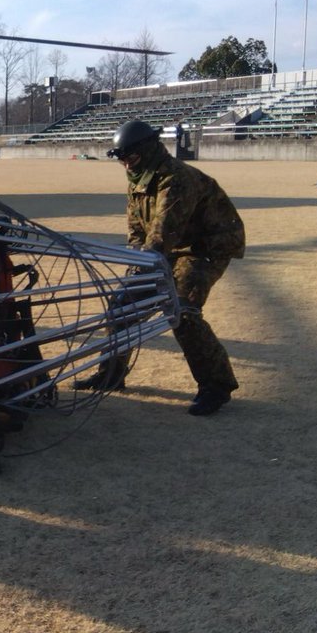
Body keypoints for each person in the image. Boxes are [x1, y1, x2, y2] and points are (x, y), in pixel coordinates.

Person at [80, 120, 245, 416]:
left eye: (129, 158)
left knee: (182, 311)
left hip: (203, 248)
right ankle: (111, 374)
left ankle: (216, 386)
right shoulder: (139, 176)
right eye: (122, 159)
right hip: (163, 250)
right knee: (122, 307)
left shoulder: (177, 178)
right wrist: (135, 266)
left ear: (146, 150)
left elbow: (163, 233)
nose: (125, 165)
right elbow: (137, 229)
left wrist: (145, 263)